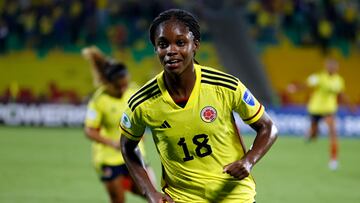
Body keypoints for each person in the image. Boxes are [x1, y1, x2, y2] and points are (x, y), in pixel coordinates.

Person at [119, 9, 278, 203]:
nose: (171, 50)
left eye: (180, 42)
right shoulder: (142, 102)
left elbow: (268, 127)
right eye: (163, 44)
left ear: (195, 45)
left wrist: (249, 160)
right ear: (155, 49)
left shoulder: (225, 86)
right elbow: (128, 146)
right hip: (183, 199)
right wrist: (150, 192)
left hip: (234, 196)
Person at [82, 46, 152, 203]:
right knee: (118, 200)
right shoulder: (99, 100)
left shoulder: (134, 92)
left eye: (125, 84)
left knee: (151, 194)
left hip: (134, 153)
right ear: (108, 83)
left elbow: (147, 115)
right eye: (118, 86)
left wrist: (142, 132)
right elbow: (89, 130)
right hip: (109, 158)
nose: (122, 88)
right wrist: (112, 143)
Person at [287, 58, 354, 170]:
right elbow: (306, 85)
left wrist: (350, 105)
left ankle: (333, 160)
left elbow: (341, 94)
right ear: (326, 67)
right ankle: (311, 134)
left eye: (334, 66)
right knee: (314, 135)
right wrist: (295, 88)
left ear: (337, 68)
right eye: (330, 66)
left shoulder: (339, 80)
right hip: (315, 108)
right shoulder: (319, 77)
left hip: (329, 110)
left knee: (333, 132)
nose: (332, 68)